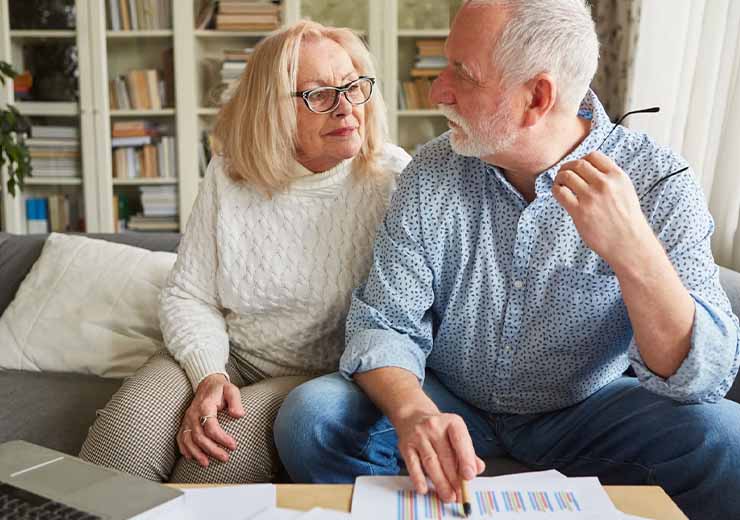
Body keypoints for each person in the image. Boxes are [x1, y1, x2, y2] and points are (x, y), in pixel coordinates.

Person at [273, 1, 740, 518]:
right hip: (450, 399)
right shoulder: (430, 173)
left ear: (537, 97)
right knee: (311, 419)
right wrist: (413, 412)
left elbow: (703, 376)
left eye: (462, 75)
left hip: (589, 409)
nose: (437, 92)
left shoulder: (658, 182)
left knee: (728, 439)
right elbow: (383, 324)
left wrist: (635, 253)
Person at [79, 20, 410, 483]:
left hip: (318, 376)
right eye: (318, 94)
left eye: (353, 86)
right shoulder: (230, 172)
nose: (345, 108)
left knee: (210, 460)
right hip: (230, 354)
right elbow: (189, 294)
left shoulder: (393, 178)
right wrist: (208, 376)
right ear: (272, 110)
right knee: (123, 439)